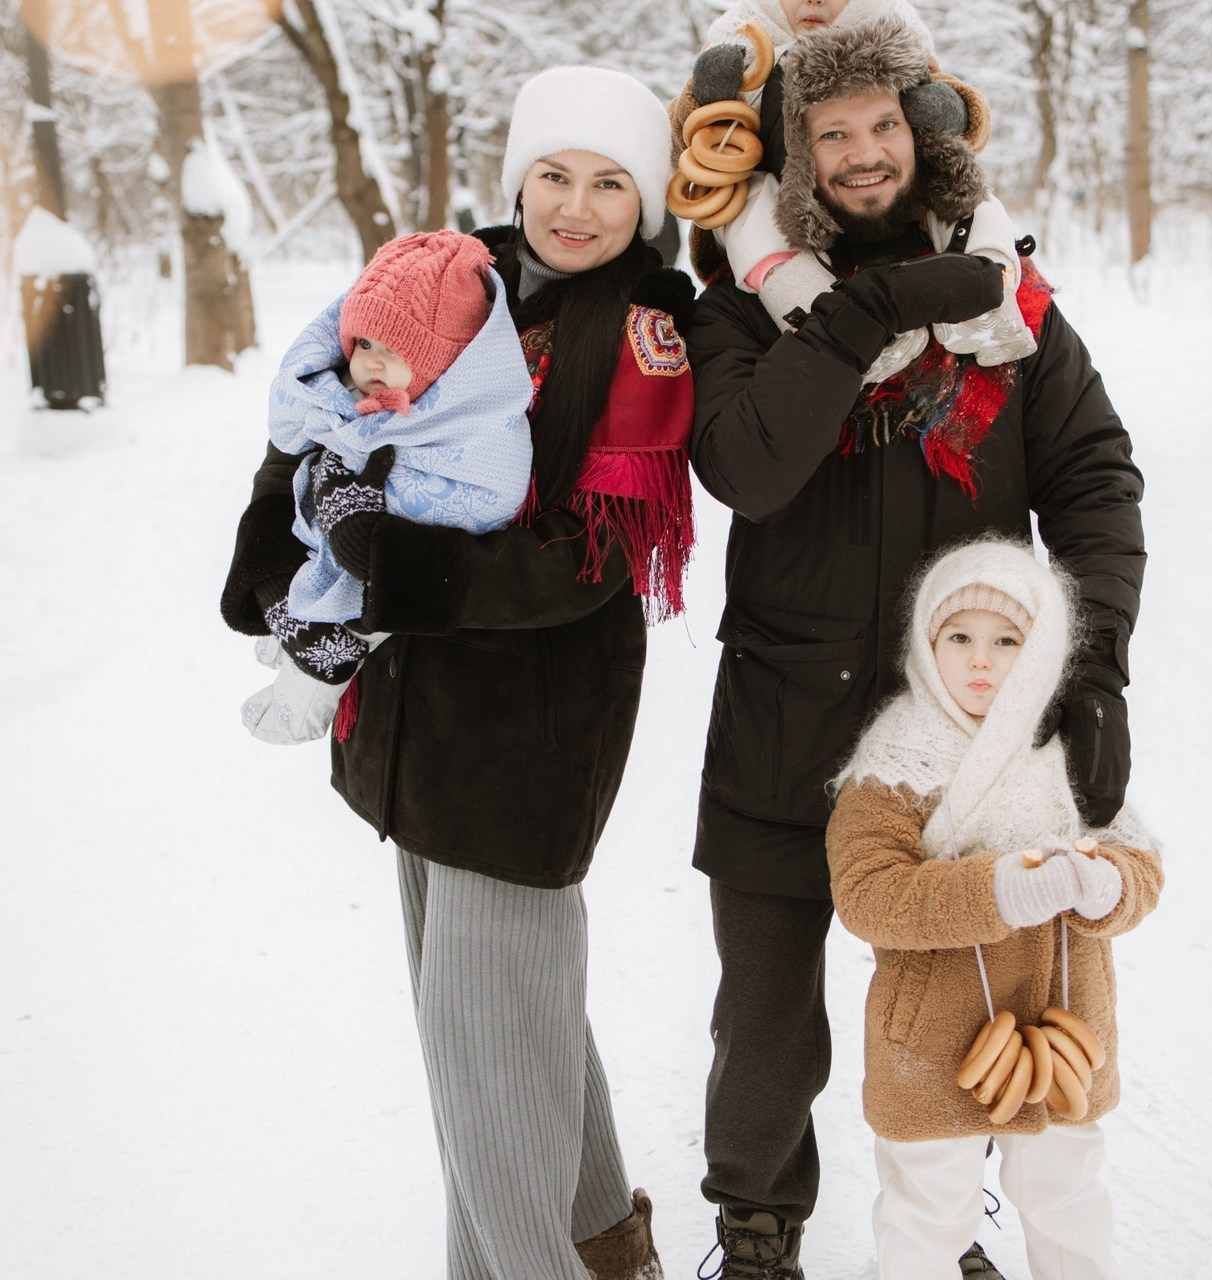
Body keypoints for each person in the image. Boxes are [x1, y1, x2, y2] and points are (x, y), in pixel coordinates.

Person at [684, 14, 1145, 1279]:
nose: (861, 152)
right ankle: (757, 1229)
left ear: (920, 134)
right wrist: (862, 317)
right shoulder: (738, 311)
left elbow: (1094, 478)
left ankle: (945, 1226)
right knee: (766, 1019)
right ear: (793, 158)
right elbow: (747, 468)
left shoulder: (1010, 311)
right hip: (784, 714)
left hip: (967, 726)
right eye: (828, 133)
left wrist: (1089, 667)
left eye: (881, 123)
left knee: (966, 990)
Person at [220, 63, 697, 1280]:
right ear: (518, 179)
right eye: (554, 175)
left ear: (646, 201)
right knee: (510, 1027)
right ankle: (604, 1248)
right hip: (410, 727)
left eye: (609, 183)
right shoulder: (450, 275)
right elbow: (327, 410)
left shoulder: (638, 335)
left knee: (483, 1060)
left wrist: (382, 556)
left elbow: (581, 561)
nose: (575, 206)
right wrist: (275, 544)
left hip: (522, 739)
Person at [825, 538, 1162, 1279]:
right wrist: (997, 891)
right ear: (926, 644)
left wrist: (1105, 887)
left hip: (1065, 1029)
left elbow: (1139, 863)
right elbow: (867, 892)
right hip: (931, 1040)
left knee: (1069, 1201)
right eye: (959, 638)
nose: (981, 660)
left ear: (1040, 649)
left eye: (1007, 641)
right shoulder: (893, 763)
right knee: (926, 1212)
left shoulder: (1070, 751)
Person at [239, 229, 534, 745]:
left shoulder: (473, 422)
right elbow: (301, 432)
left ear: (447, 359)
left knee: (355, 616)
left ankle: (312, 679)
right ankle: (301, 623)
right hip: (338, 550)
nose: (372, 362)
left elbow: (480, 491)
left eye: (396, 349)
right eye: (364, 344)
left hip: (402, 583)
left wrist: (356, 498)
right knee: (300, 573)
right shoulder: (365, 390)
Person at [668, 0, 1035, 371]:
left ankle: (989, 288)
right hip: (780, 205)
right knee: (750, 204)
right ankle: (823, 316)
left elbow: (962, 111)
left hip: (890, 205)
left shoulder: (887, 30)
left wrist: (950, 111)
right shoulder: (742, 41)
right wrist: (704, 98)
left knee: (957, 183)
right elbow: (680, 145)